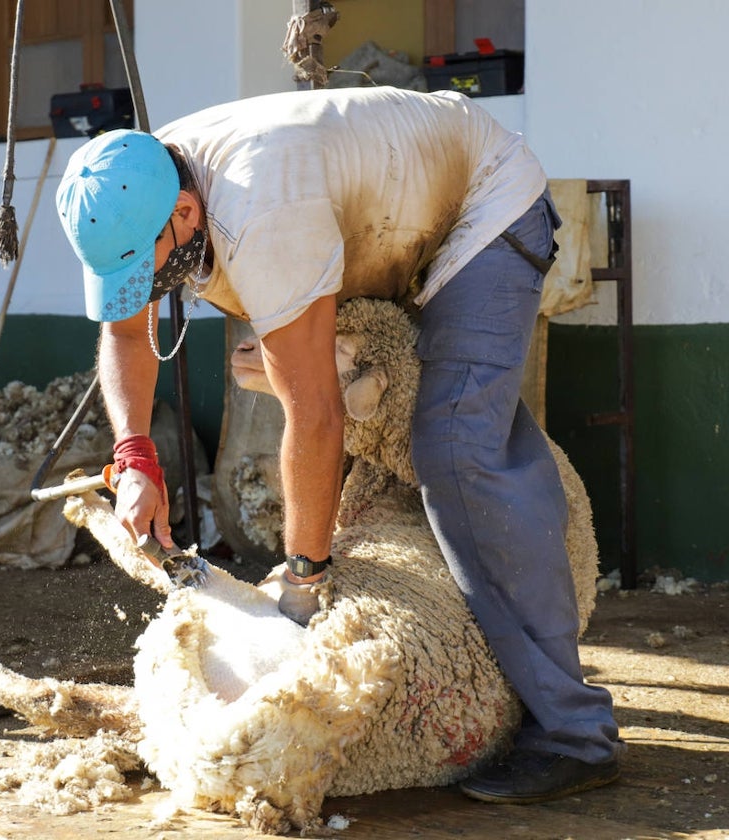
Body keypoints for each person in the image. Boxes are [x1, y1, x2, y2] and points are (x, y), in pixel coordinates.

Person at [54, 87, 623, 803]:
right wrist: (134, 455)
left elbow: (316, 414)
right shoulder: (135, 187)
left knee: (456, 449)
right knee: (378, 469)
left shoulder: (263, 211)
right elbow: (125, 333)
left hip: (482, 206)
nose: (145, 288)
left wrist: (303, 580)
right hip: (389, 218)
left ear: (188, 214)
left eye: (150, 267)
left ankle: (576, 732)